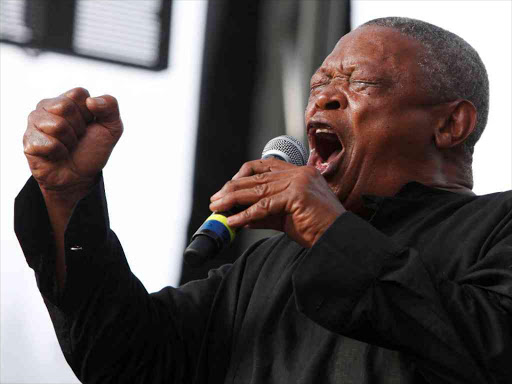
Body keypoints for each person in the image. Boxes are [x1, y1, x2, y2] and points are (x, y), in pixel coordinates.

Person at [14, 16, 511, 383]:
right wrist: (66, 195)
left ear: (450, 125)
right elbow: (124, 356)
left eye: (360, 83)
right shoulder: (264, 269)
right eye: (319, 85)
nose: (324, 98)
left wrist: (326, 230)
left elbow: (493, 345)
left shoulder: (499, 224)